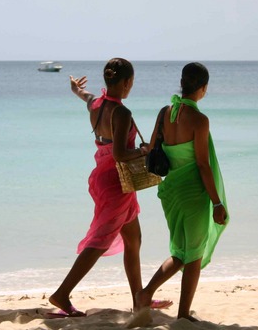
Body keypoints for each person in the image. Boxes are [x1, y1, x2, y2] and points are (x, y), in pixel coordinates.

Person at [49, 58, 172, 318]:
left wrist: (75, 88)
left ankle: (140, 299)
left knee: (133, 240)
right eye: (132, 82)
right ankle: (62, 293)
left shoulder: (96, 103)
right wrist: (142, 150)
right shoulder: (122, 113)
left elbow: (84, 95)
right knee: (100, 240)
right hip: (116, 182)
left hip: (104, 178)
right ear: (127, 82)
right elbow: (119, 154)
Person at [133, 62, 228, 323]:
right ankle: (183, 314)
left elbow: (152, 147)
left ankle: (145, 294)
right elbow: (202, 164)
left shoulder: (165, 112)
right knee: (193, 255)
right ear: (203, 88)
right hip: (192, 192)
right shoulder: (199, 119)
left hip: (170, 190)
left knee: (180, 253)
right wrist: (217, 202)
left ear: (182, 83)